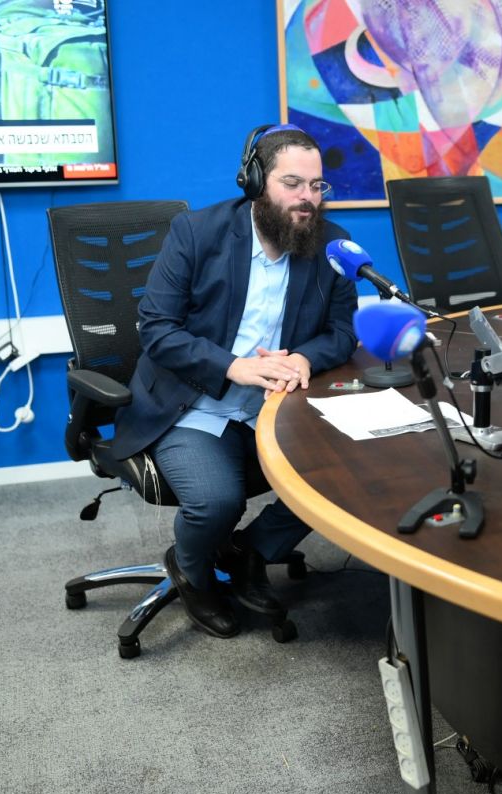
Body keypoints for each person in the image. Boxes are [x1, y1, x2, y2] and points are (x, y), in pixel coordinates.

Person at [112, 124, 357, 639]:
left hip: (275, 407)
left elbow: (342, 332)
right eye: (293, 183)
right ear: (256, 182)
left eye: (317, 186)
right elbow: (156, 329)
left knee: (344, 474)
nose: (308, 198)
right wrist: (231, 365)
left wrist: (306, 357)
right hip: (192, 404)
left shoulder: (331, 245)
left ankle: (249, 553)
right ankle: (192, 572)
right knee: (216, 502)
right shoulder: (197, 233)